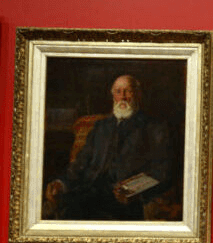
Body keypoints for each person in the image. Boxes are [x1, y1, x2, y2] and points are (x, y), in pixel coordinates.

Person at [43, 74, 176, 220]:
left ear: (138, 94)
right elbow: (81, 163)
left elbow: (162, 171)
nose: (123, 97)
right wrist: (61, 183)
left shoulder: (154, 128)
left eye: (128, 91)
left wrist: (136, 193)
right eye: (118, 92)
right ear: (113, 96)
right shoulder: (100, 127)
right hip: (88, 194)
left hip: (125, 202)